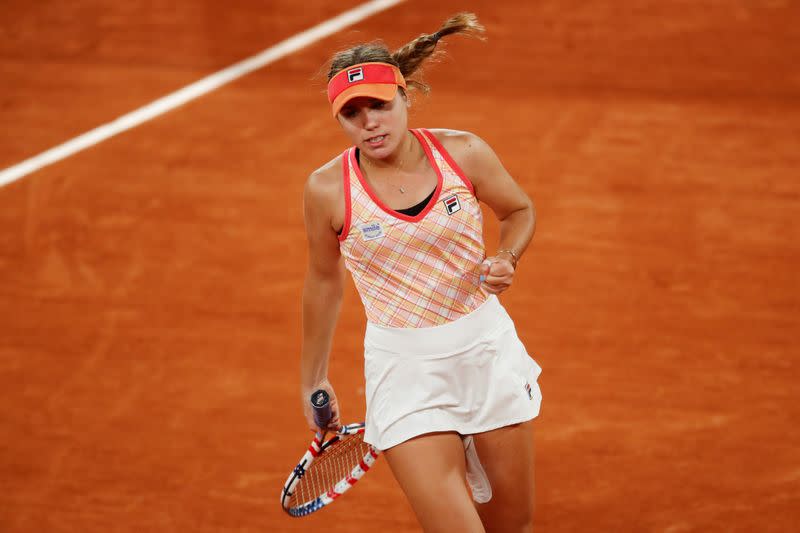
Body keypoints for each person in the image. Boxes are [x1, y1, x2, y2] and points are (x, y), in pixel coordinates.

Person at [300, 12, 542, 533]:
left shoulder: (464, 153)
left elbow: (518, 211)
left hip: (485, 354)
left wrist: (508, 258)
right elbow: (323, 281)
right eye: (353, 113)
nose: (370, 123)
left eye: (380, 105)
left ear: (405, 96)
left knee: (511, 526)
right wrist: (314, 378)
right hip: (404, 370)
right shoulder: (326, 189)